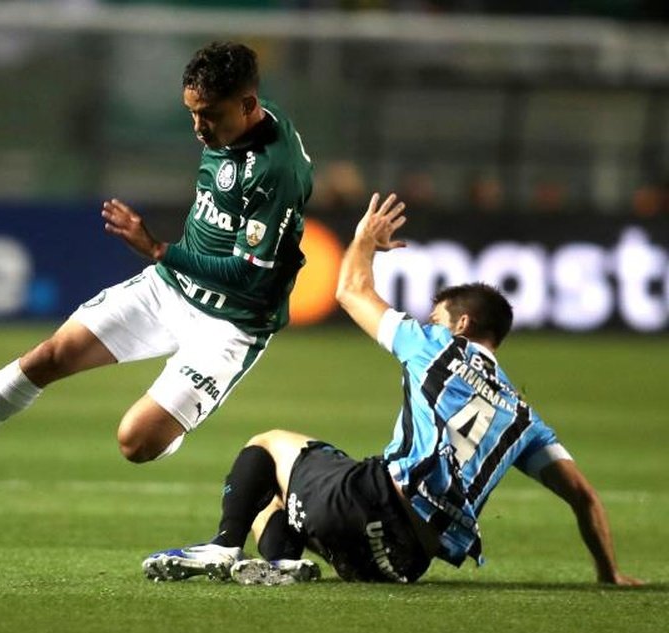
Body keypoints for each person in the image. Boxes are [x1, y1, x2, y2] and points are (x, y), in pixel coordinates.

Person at [0, 41, 314, 492]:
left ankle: (173, 420)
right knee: (50, 355)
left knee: (136, 442)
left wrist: (160, 249)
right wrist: (168, 263)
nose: (199, 127)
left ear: (248, 105)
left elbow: (250, 274)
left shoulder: (275, 171)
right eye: (192, 114)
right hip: (171, 289)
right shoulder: (235, 120)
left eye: (210, 115)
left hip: (231, 321)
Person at [143, 193, 643, 587]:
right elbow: (585, 497)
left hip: (367, 505)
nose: (430, 322)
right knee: (279, 496)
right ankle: (281, 565)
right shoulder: (523, 417)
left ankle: (223, 546)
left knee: (270, 443)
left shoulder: (437, 348)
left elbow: (350, 292)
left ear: (461, 325)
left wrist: (362, 240)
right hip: (403, 561)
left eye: (438, 317)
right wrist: (608, 573)